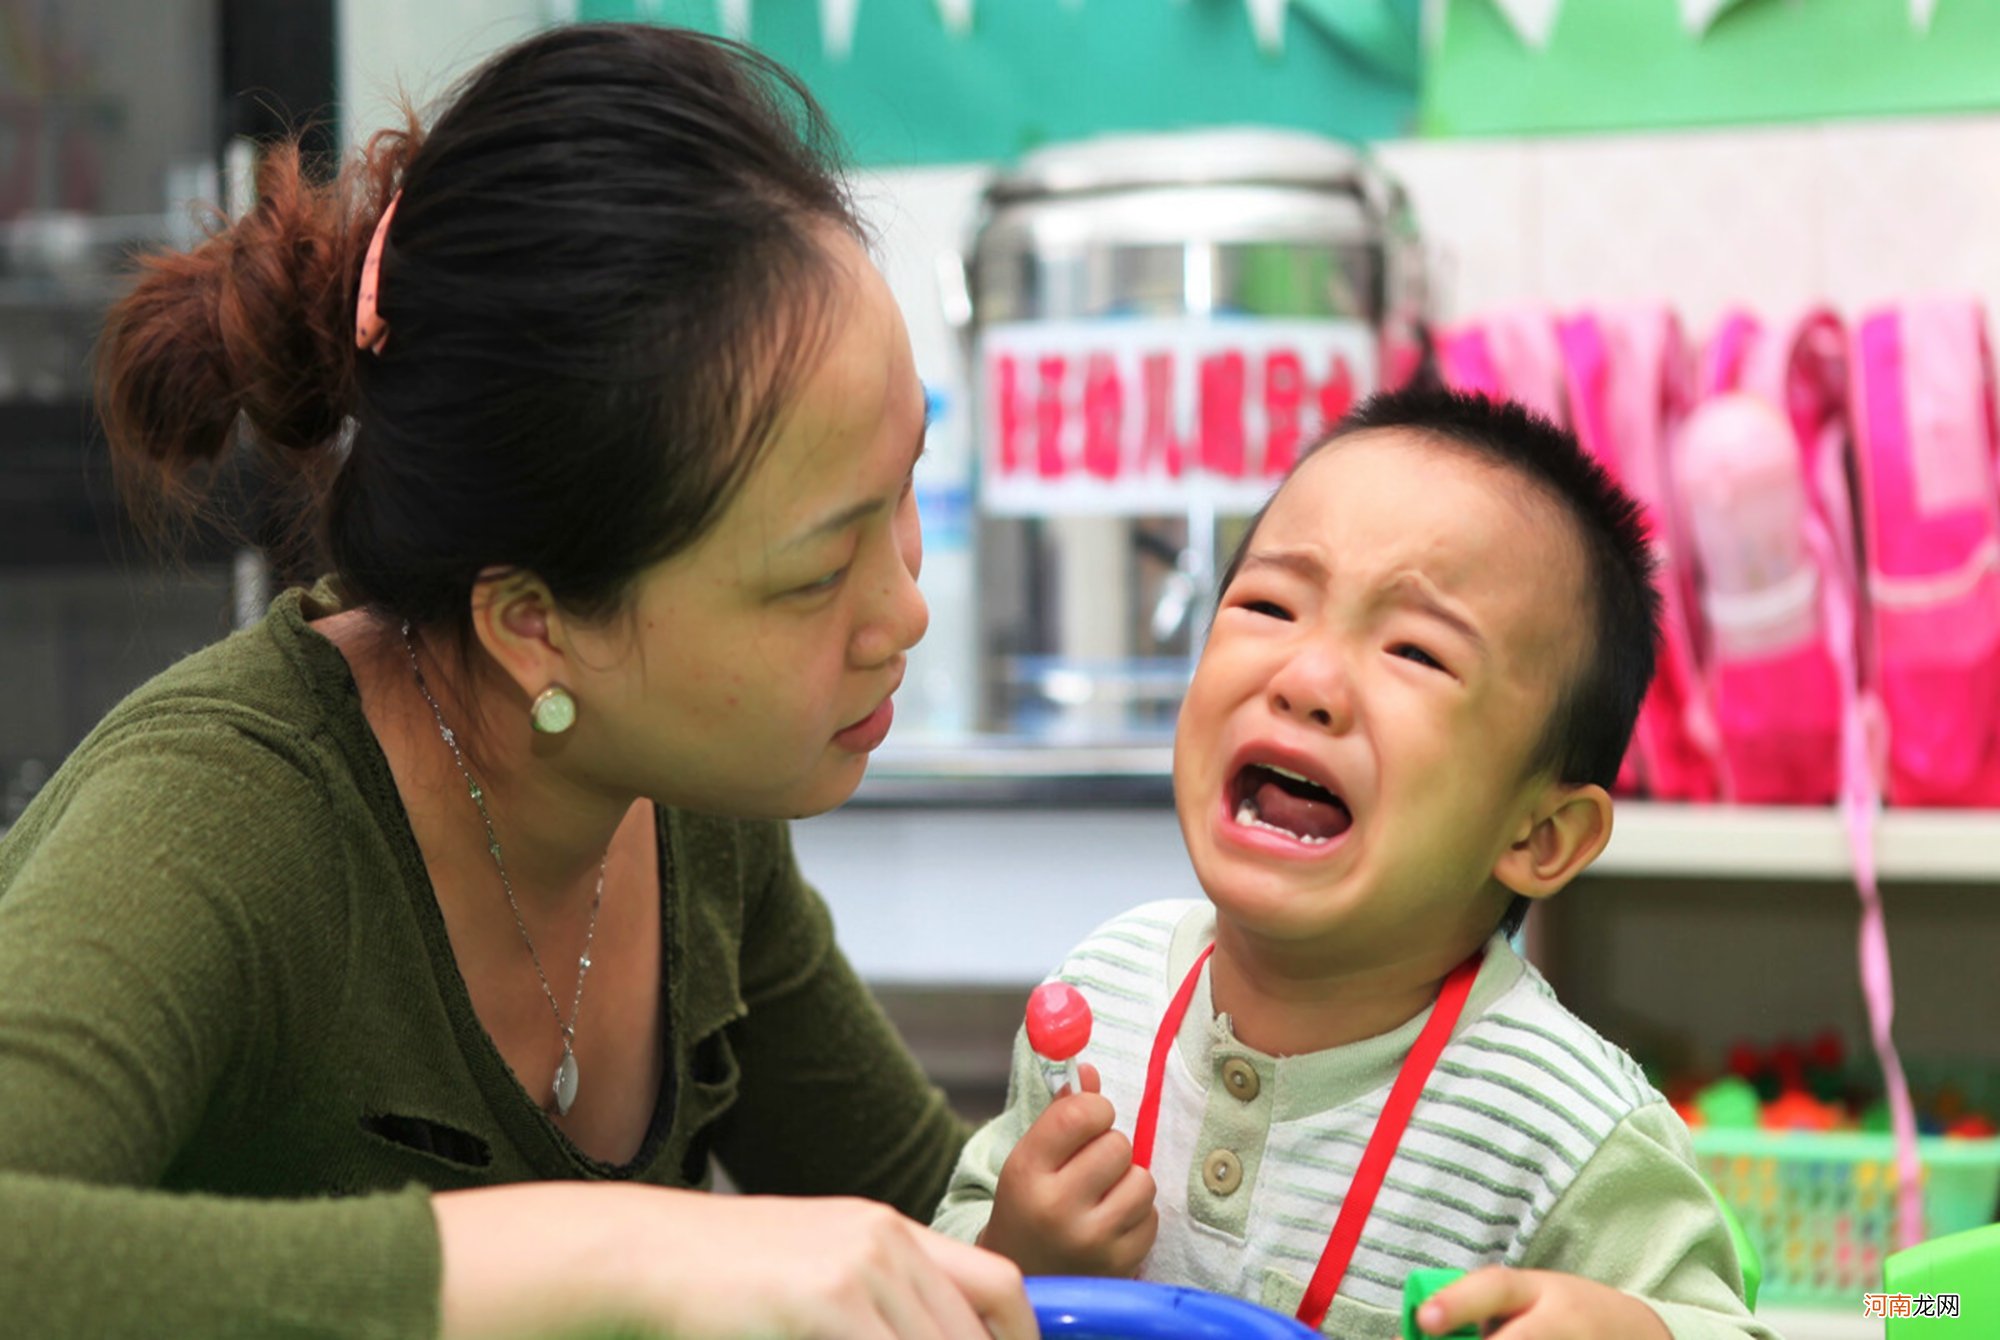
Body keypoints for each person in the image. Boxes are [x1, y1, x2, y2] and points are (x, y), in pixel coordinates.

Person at [0, 23, 1034, 1340]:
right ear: (536, 627)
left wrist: (1011, 1244)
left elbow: (906, 1219)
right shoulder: (219, 823)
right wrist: (603, 1251)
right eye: (818, 573)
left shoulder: (686, 805)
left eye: (904, 497)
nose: (907, 610)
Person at [932, 388, 1776, 1340]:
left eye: (1416, 650)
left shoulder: (1568, 1129)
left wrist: (1631, 1330)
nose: (1308, 680)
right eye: (1269, 604)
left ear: (1540, 837)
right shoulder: (1096, 1008)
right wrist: (1013, 1253)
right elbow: (943, 1255)